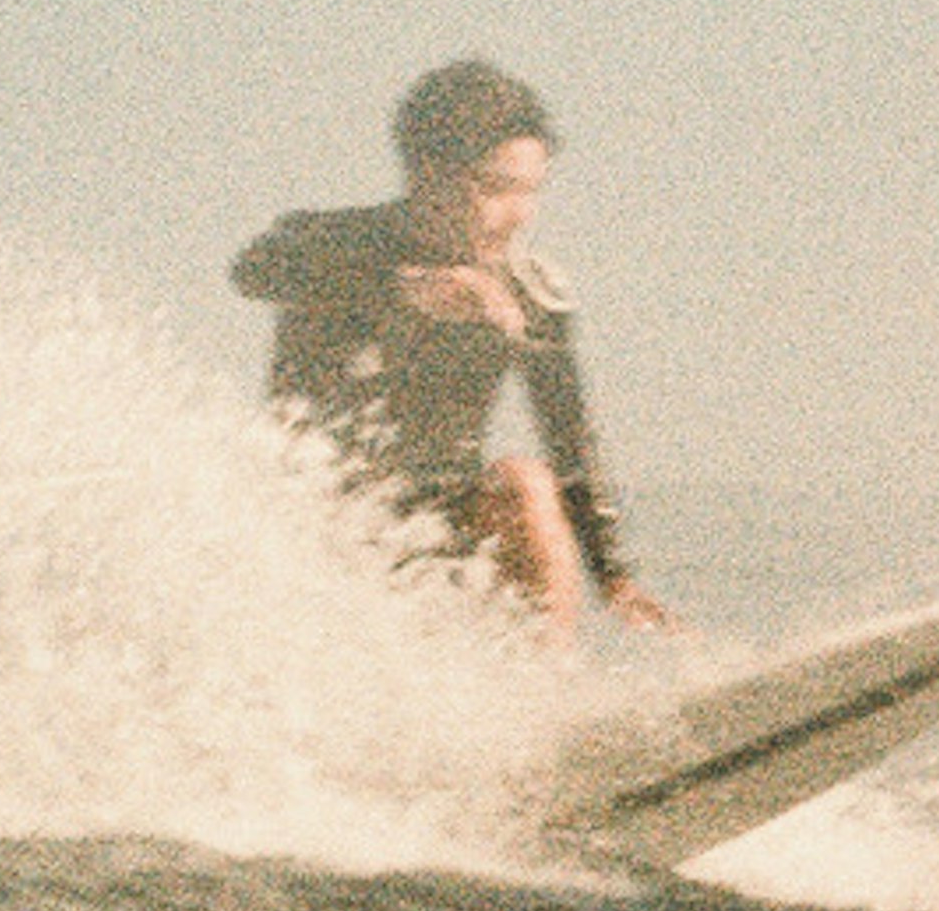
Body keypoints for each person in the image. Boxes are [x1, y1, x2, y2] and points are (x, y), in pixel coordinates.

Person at [232, 59, 669, 636]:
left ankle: (546, 701)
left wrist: (613, 576)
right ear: (426, 176)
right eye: (497, 189)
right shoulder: (337, 242)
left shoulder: (528, 293)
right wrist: (404, 289)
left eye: (531, 191)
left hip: (439, 536)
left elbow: (569, 442)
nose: (519, 216)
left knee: (526, 484)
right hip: (312, 535)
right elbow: (253, 270)